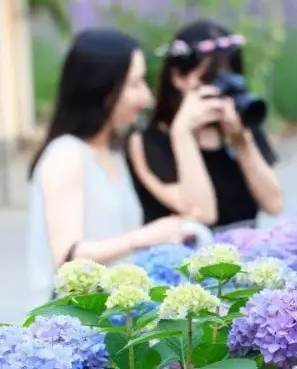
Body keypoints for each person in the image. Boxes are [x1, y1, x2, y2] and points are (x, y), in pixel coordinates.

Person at [27, 29, 198, 296]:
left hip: (115, 323)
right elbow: (68, 258)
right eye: (135, 83)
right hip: (75, 327)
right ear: (102, 89)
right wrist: (144, 238)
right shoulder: (67, 156)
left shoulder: (115, 152)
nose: (146, 97)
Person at [127, 19, 283, 231]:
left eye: (231, 78)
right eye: (210, 79)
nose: (221, 90)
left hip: (248, 255)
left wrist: (241, 142)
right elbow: (201, 213)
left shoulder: (241, 126)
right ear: (177, 77)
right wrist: (182, 133)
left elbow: (274, 204)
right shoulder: (148, 143)